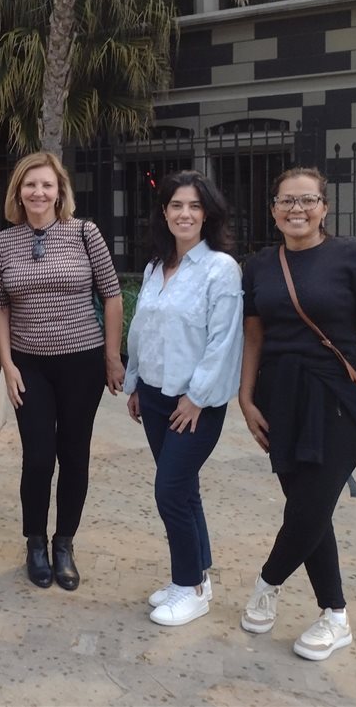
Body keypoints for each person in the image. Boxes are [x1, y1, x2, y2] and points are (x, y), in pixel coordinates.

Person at [238, 166, 356, 661]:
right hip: (280, 399)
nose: (297, 210)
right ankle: (334, 616)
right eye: (286, 202)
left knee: (311, 508)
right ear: (272, 209)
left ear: (324, 207)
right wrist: (246, 397)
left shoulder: (350, 257)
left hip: (336, 398)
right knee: (308, 511)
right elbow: (255, 336)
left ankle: (266, 583)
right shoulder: (259, 266)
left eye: (307, 201)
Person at [0, 151, 123, 590]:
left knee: (74, 454)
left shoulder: (85, 233)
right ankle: (34, 542)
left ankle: (64, 542)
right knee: (38, 456)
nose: (39, 192)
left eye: (47, 185)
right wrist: (7, 363)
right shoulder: (4, 242)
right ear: (19, 192)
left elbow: (112, 294)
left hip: (82, 363)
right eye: (30, 185)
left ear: (60, 191)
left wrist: (111, 356)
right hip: (29, 365)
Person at [122, 171, 243, 625]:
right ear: (164, 212)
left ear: (207, 214)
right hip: (153, 397)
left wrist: (196, 398)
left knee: (170, 490)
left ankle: (187, 585)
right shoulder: (157, 267)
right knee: (184, 489)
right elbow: (141, 330)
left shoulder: (220, 269)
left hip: (194, 404)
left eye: (194, 206)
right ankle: (200, 576)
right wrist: (135, 384)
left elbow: (223, 342)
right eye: (176, 205)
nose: (185, 214)